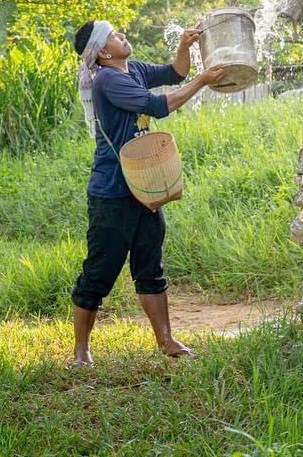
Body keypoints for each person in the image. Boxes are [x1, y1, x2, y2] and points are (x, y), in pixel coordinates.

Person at [68, 20, 226, 368]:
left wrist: (185, 48)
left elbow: (174, 73)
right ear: (103, 52)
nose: (122, 35)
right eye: (113, 35)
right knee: (99, 273)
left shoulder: (133, 68)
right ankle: (81, 352)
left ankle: (166, 340)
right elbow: (158, 107)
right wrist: (202, 81)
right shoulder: (108, 80)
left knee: (150, 267)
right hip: (112, 192)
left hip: (144, 186)